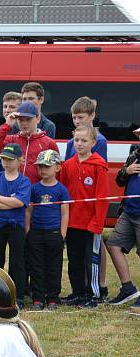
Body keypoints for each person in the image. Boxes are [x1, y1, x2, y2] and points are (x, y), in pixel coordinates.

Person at [59, 125, 109, 308]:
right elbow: (62, 195)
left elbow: (102, 198)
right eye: (76, 140)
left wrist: (97, 223)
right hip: (72, 223)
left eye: (84, 141)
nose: (79, 144)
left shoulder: (99, 166)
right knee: (74, 260)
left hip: (90, 224)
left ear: (93, 143)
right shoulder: (68, 165)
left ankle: (93, 295)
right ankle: (78, 292)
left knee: (91, 261)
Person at [0, 144, 32, 305]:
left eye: (10, 160)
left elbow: (20, 202)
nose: (6, 163)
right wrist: (8, 202)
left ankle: (17, 295)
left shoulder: (24, 181)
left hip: (16, 225)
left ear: (20, 161)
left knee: (17, 260)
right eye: (4, 159)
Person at [25, 150, 70, 310]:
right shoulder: (34, 189)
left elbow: (65, 213)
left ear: (57, 168)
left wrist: (62, 234)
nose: (42, 170)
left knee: (54, 267)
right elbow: (29, 211)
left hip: (54, 234)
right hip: (36, 233)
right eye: (40, 166)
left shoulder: (61, 190)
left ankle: (53, 297)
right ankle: (38, 297)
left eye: (47, 166)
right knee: (36, 266)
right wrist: (28, 231)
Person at [106, 127, 140, 309]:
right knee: (112, 244)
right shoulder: (133, 154)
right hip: (129, 211)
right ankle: (128, 289)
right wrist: (127, 171)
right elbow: (119, 181)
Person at [0, 102, 57, 185]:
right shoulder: (11, 139)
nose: (24, 123)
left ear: (38, 118)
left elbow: (55, 173)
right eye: (20, 119)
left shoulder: (49, 143)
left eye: (28, 119)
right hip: (12, 191)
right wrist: (7, 125)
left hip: (37, 192)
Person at [64, 97, 107, 162]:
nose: (76, 121)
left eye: (80, 117)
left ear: (92, 116)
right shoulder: (70, 142)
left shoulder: (100, 140)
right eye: (74, 118)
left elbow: (101, 167)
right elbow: (66, 167)